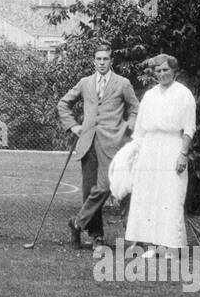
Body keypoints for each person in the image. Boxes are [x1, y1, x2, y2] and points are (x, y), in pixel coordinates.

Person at [56, 43, 139, 249]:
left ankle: (77, 222)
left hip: (113, 143)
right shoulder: (85, 83)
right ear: (94, 61)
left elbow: (136, 108)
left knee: (108, 186)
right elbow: (63, 104)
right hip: (88, 144)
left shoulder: (123, 83)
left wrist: (128, 127)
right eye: (98, 59)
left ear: (112, 61)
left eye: (105, 59)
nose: (102, 63)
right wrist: (74, 126)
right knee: (89, 190)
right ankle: (96, 238)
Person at [125, 54, 197, 257]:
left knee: (171, 196)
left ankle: (172, 248)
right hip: (149, 150)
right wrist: (135, 154)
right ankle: (154, 246)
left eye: (166, 70)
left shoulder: (184, 94)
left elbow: (189, 128)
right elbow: (139, 130)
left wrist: (183, 153)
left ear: (174, 71)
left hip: (172, 148)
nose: (162, 74)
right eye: (158, 71)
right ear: (153, 74)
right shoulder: (149, 95)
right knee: (149, 197)